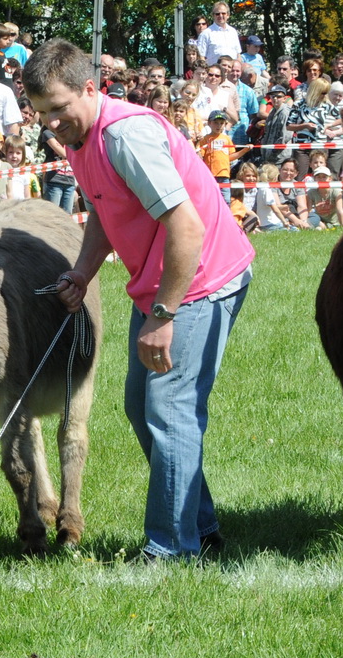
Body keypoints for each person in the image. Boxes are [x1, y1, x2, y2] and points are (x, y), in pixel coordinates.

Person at [26, 38, 253, 562]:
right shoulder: (80, 140)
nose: (51, 124)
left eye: (58, 108)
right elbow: (106, 209)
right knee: (140, 404)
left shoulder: (125, 136)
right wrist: (83, 272)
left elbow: (187, 228)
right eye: (41, 114)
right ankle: (201, 529)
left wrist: (164, 315)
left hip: (201, 279)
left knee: (168, 408)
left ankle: (171, 549)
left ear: (90, 88)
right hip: (162, 282)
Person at [196, 2, 242, 68]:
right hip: (214, 72)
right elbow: (201, 57)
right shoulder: (206, 33)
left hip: (231, 71)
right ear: (213, 15)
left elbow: (238, 54)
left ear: (228, 15)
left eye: (223, 13)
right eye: (217, 14)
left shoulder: (233, 32)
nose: (220, 16)